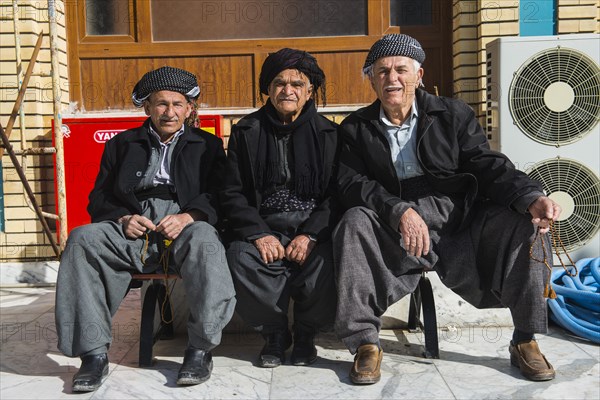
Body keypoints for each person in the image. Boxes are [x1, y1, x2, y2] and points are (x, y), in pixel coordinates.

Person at [334, 34, 561, 384]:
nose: (391, 78)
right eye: (381, 71)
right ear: (371, 78)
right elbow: (353, 184)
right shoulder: (355, 128)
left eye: (400, 70)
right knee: (353, 222)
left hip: (457, 217)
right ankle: (365, 344)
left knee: (525, 225)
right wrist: (398, 212)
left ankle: (525, 339)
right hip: (395, 222)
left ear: (419, 74)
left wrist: (530, 196)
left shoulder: (452, 114)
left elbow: (486, 164)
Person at [55, 66, 236, 391]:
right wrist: (122, 217)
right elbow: (99, 196)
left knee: (206, 241)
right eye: (161, 104)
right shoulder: (122, 144)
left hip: (184, 222)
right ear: (147, 107)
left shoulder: (206, 145)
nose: (169, 112)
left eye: (177, 104)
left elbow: (220, 195)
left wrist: (189, 216)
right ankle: (93, 354)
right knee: (83, 239)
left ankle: (199, 349)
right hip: (134, 223)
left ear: (189, 108)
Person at [220, 48, 338, 368]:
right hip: (265, 223)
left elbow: (337, 194)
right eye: (279, 83)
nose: (288, 90)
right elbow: (232, 192)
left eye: (297, 84)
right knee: (239, 258)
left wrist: (311, 234)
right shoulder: (247, 131)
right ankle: (274, 334)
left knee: (328, 259)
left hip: (311, 224)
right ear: (267, 89)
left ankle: (305, 334)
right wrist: (258, 233)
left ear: (310, 90)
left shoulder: (329, 134)